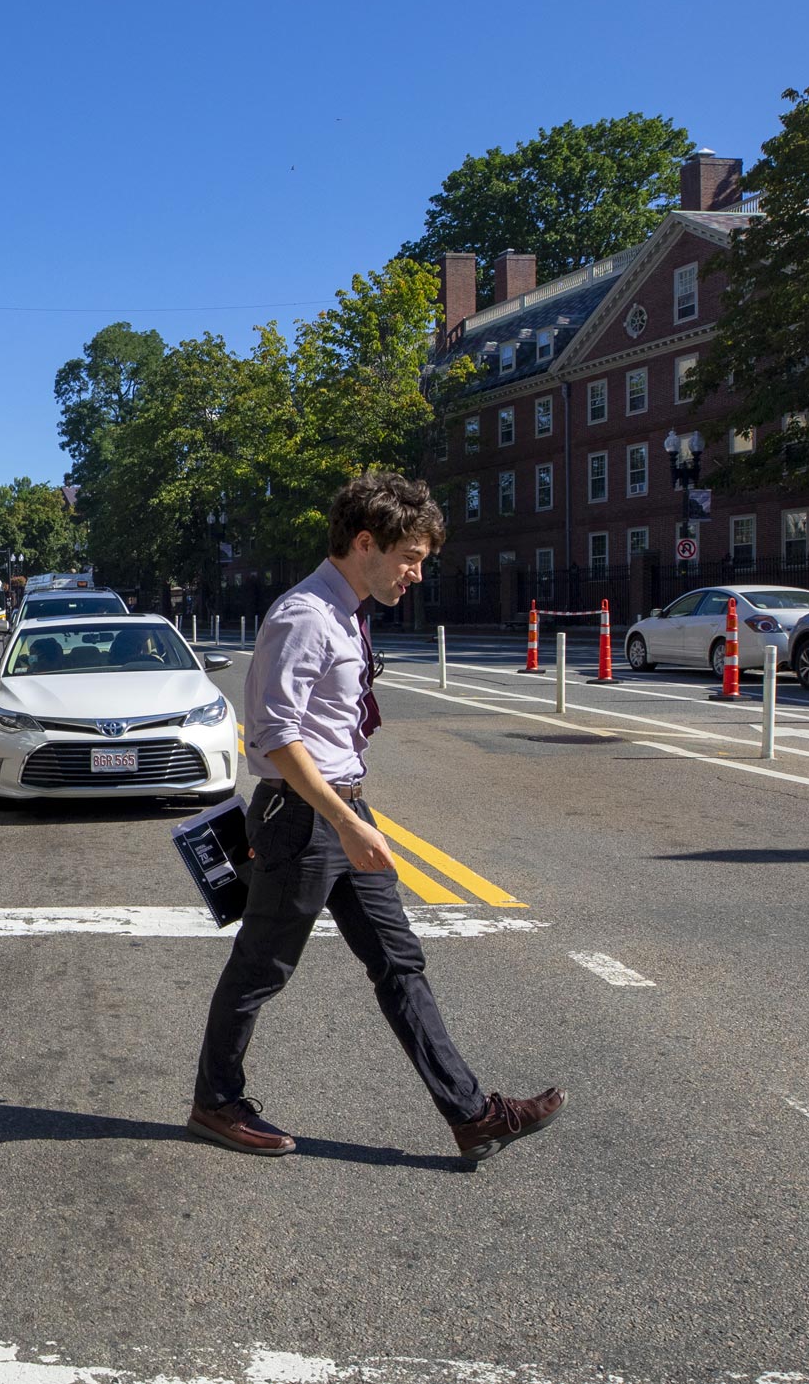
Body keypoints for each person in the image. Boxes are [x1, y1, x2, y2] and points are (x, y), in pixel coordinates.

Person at [189, 472, 565, 1163]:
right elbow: (272, 736)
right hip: (303, 819)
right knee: (260, 967)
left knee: (399, 961)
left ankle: (472, 1114)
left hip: (338, 808)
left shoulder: (349, 610)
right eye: (410, 557)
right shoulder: (304, 614)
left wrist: (354, 811)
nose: (417, 573)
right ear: (366, 542)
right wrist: (347, 819)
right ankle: (215, 1100)